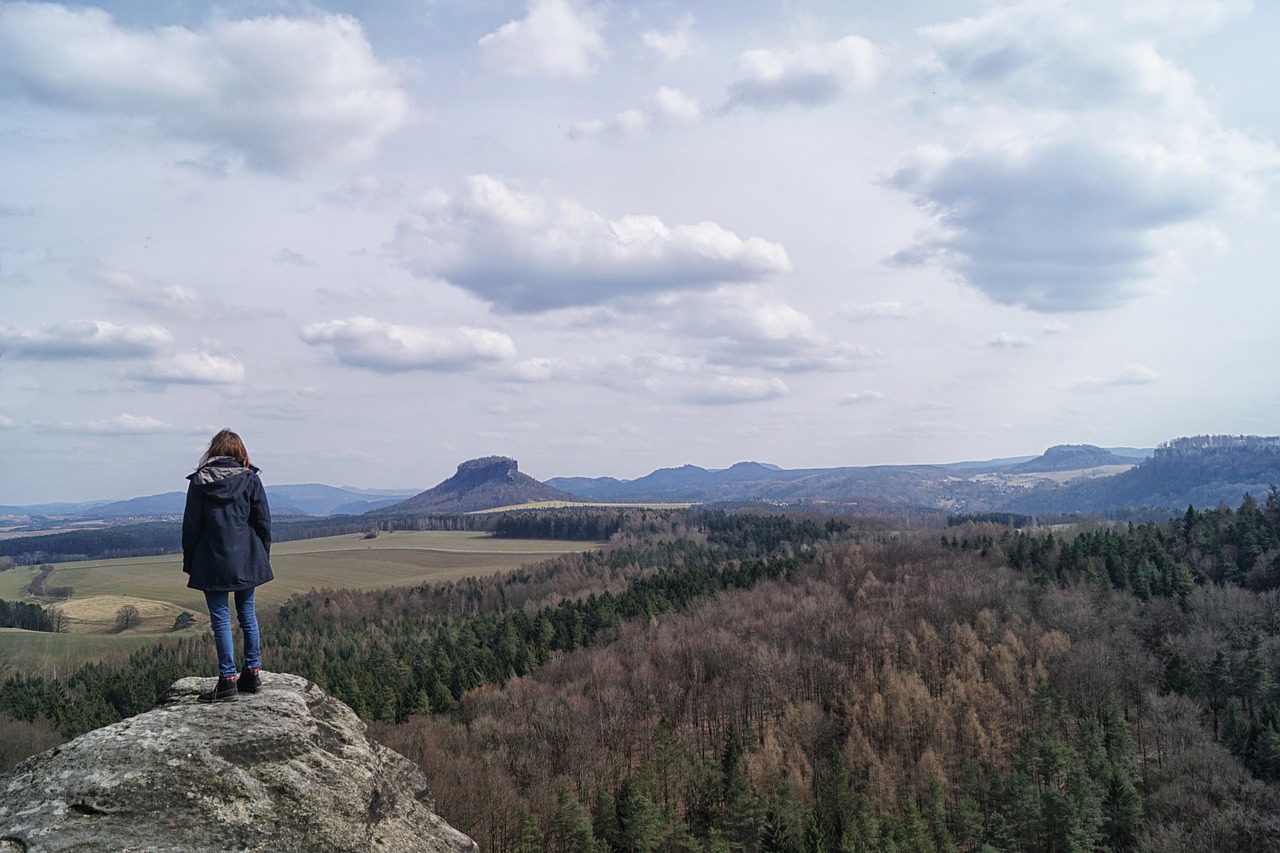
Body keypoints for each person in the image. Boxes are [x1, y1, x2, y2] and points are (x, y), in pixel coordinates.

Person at [182, 429, 273, 702]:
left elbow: (191, 527)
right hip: (247, 558)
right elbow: (263, 523)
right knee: (248, 616)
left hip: (211, 559)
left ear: (213, 451)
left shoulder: (199, 482)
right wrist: (261, 556)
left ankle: (227, 681)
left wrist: (190, 561)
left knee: (220, 620)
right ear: (239, 452)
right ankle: (252, 674)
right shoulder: (250, 480)